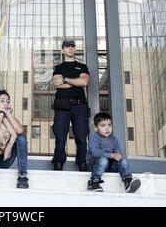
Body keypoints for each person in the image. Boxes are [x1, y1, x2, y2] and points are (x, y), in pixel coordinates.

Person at [51, 39, 90, 171]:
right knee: (61, 137)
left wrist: (66, 79)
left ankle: (82, 163)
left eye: (72, 46)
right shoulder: (58, 67)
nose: (70, 48)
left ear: (75, 49)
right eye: (67, 46)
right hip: (62, 106)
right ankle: (58, 163)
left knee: (81, 136)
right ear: (63, 50)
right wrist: (75, 81)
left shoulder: (82, 66)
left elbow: (84, 82)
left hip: (79, 106)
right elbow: (57, 84)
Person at [86, 112, 141, 193]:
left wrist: (118, 156)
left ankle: (127, 181)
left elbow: (118, 153)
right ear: (95, 128)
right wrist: (111, 155)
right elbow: (95, 153)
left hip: (109, 166)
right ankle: (93, 182)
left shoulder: (114, 139)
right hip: (95, 165)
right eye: (103, 125)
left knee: (123, 161)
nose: (107, 128)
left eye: (109, 125)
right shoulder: (94, 137)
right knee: (103, 160)